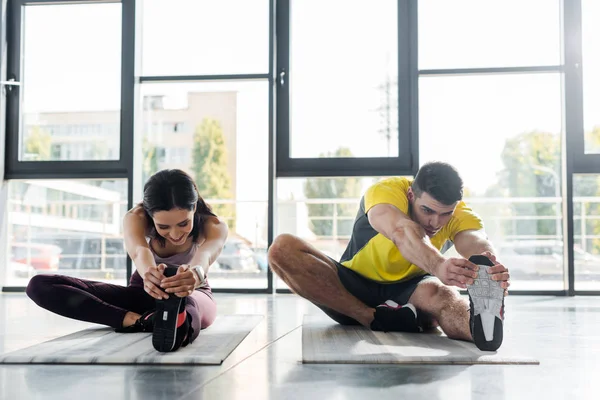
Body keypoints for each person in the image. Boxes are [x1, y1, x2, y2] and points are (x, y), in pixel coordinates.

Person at [268, 161, 510, 351]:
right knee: (281, 248)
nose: (435, 222)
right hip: (352, 288)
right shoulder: (385, 192)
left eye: (445, 214)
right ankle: (374, 317)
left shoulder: (460, 214)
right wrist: (438, 265)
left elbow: (476, 240)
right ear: (411, 195)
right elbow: (401, 231)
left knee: (444, 295)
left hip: (412, 291)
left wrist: (489, 267)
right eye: (427, 210)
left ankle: (477, 325)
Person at [26, 169, 228, 352]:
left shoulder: (214, 225)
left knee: (189, 305)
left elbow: (206, 255)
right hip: (144, 291)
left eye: (183, 223)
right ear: (150, 215)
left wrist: (195, 274)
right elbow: (139, 251)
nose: (175, 234)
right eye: (164, 227)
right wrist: (150, 274)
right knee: (39, 285)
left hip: (192, 291)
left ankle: (175, 324)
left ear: (193, 207)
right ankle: (136, 320)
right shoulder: (135, 217)